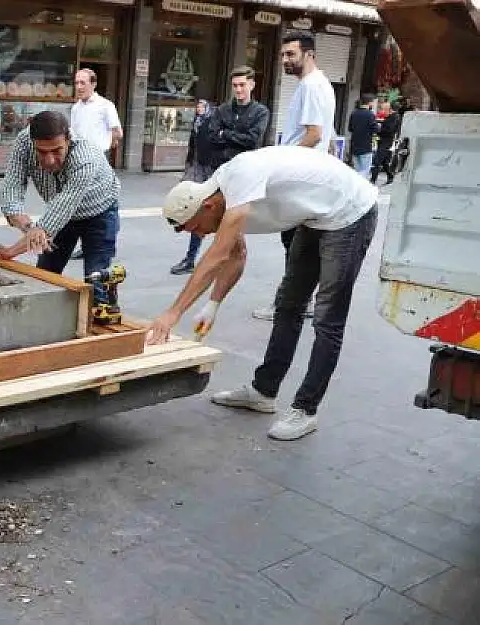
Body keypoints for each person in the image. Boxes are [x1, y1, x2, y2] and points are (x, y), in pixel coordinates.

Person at [151, 145, 379, 441]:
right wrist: (213, 305)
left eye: (194, 228)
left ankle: (305, 409)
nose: (198, 235)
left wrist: (172, 313)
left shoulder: (239, 179)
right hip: (314, 218)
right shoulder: (223, 201)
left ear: (207, 207)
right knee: (288, 306)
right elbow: (236, 255)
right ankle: (264, 391)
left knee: (327, 320)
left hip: (349, 214)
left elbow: (216, 256)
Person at [0, 110, 121, 303]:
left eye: (57, 151)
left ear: (68, 139)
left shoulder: (85, 156)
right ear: (33, 142)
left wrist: (11, 251)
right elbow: (11, 188)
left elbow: (56, 215)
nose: (49, 160)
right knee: (44, 275)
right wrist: (28, 228)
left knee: (96, 281)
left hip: (100, 213)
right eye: (41, 152)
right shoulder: (24, 141)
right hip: (59, 212)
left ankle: (103, 317)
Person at [252, 30, 336, 322]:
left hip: (301, 177)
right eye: (283, 55)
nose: (285, 60)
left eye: (291, 54)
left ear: (309, 54)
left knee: (295, 247)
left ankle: (289, 305)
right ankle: (299, 301)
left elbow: (313, 134)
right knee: (299, 246)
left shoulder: (311, 86)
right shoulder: (318, 84)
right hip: (309, 176)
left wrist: (284, 159)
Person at [68, 68, 123, 260]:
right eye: (76, 83)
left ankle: (108, 241)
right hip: (80, 161)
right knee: (84, 201)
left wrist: (105, 149)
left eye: (83, 83)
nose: (79, 87)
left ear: (93, 84)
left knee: (106, 201)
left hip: (99, 160)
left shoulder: (105, 106)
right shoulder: (75, 108)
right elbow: (73, 134)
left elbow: (117, 132)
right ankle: (87, 244)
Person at [170, 99, 216, 275]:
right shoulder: (198, 122)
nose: (198, 109)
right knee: (196, 209)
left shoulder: (210, 123)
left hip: (210, 171)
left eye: (202, 106)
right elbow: (193, 145)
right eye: (197, 106)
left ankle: (196, 259)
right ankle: (190, 258)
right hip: (197, 167)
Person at [371, 99, 401, 184]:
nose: (384, 110)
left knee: (377, 161)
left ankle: (373, 180)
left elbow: (389, 130)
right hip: (385, 141)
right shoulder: (393, 117)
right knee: (384, 161)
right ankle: (390, 176)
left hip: (386, 141)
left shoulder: (394, 117)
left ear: (391, 108)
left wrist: (379, 129)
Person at [348, 94, 378, 178]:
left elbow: (350, 128)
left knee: (357, 170)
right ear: (370, 103)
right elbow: (375, 129)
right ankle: (360, 188)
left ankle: (356, 187)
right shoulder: (370, 115)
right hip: (366, 146)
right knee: (365, 170)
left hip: (354, 145)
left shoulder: (354, 113)